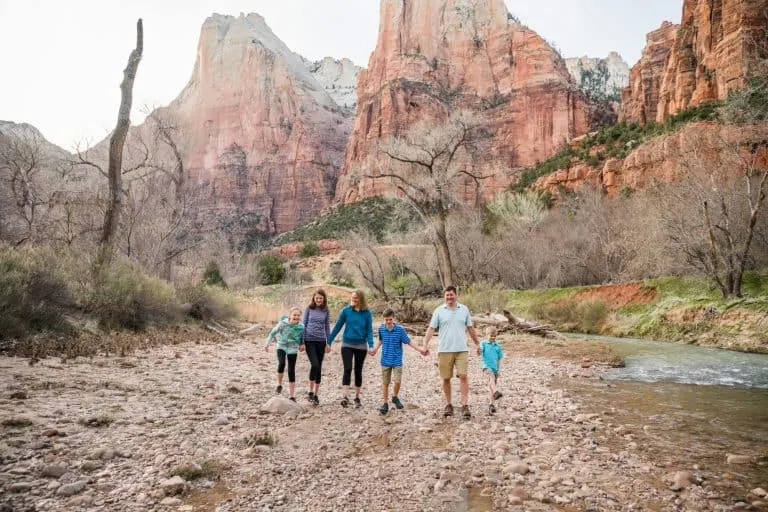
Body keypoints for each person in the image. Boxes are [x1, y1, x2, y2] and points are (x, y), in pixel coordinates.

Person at [422, 285, 481, 419]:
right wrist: (425, 344)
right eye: (447, 295)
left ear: (456, 295)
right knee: (446, 378)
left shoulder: (464, 309)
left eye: (451, 294)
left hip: (461, 349)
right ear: (444, 296)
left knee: (463, 376)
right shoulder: (439, 311)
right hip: (444, 350)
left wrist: (477, 343)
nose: (449, 297)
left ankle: (465, 405)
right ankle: (449, 404)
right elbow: (431, 329)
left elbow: (470, 328)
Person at [372, 308, 428, 415]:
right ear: (384, 319)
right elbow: (380, 341)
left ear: (394, 318)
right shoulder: (381, 329)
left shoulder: (400, 330)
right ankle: (385, 403)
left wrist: (420, 350)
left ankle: (395, 397)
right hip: (385, 360)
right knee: (385, 383)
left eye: (390, 319)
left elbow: (409, 341)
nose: (388, 322)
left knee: (397, 381)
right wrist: (375, 349)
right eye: (386, 320)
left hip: (397, 360)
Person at [327, 289, 374, 408]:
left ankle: (357, 397)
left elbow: (369, 330)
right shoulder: (346, 311)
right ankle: (345, 396)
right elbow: (337, 326)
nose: (354, 300)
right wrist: (329, 341)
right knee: (347, 369)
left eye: (356, 298)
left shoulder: (367, 313)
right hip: (347, 344)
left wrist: (371, 345)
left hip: (361, 346)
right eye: (352, 297)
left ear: (361, 299)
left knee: (358, 371)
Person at [264, 307, 305, 401]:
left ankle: (292, 395)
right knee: (281, 363)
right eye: (294, 315)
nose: (296, 317)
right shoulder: (283, 324)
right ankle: (279, 384)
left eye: (298, 315)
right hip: (281, 346)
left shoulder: (301, 327)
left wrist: (302, 344)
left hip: (293, 348)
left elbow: (302, 337)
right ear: (290, 315)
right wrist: (267, 344)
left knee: (291, 370)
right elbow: (272, 333)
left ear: (300, 317)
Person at [302, 289, 331, 406]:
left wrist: (329, 342)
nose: (318, 300)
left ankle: (316, 394)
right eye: (317, 298)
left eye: (320, 298)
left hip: (321, 341)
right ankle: (310, 391)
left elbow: (327, 327)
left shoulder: (326, 310)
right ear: (314, 298)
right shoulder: (309, 308)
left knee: (319, 367)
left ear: (323, 299)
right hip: (309, 340)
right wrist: (301, 341)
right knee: (315, 364)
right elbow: (303, 324)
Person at [480, 326, 504, 414]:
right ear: (487, 335)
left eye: (494, 336)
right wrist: (478, 351)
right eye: (491, 336)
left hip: (495, 368)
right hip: (486, 366)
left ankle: (491, 404)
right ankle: (496, 392)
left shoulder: (497, 346)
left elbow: (500, 358)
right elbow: (480, 351)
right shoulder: (483, 344)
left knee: (492, 384)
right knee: (491, 378)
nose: (493, 338)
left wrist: (499, 370)